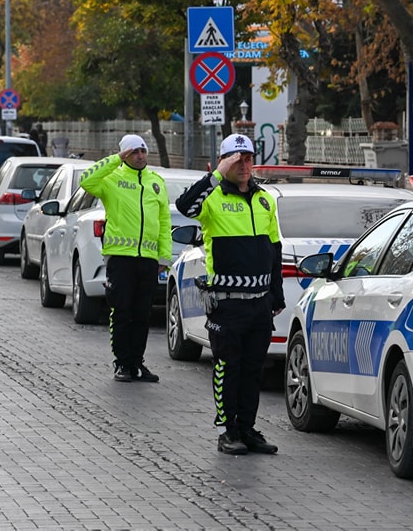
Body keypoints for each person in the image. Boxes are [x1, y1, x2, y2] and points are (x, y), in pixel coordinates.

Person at [175, 133, 284, 455]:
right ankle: (228, 430)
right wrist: (216, 174)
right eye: (237, 159)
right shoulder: (211, 197)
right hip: (227, 303)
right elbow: (185, 206)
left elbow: (274, 250)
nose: (244, 164)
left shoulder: (265, 199)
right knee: (228, 368)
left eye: (248, 158)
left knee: (253, 369)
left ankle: (248, 428)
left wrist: (275, 296)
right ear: (224, 162)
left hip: (259, 303)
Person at [79, 134, 171, 383]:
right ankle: (121, 363)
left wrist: (164, 256)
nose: (140, 156)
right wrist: (116, 159)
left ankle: (137, 363)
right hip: (120, 259)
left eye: (142, 151)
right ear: (125, 155)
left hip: (148, 259)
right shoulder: (111, 179)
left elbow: (163, 221)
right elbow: (86, 180)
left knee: (142, 314)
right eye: (134, 152)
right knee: (122, 312)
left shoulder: (156, 182)